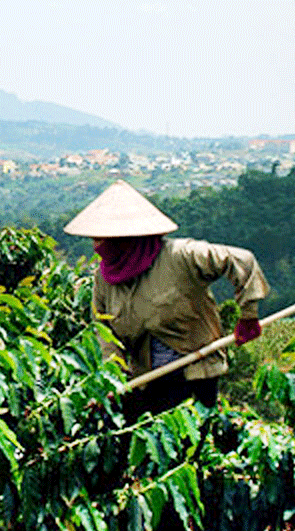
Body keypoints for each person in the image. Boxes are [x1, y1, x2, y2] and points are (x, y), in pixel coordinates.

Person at [63, 179, 270, 420]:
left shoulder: (181, 256)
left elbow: (241, 260)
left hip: (195, 375)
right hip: (145, 380)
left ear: (126, 238)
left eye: (104, 239)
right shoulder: (104, 280)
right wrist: (113, 379)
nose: (97, 246)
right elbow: (105, 333)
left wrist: (248, 315)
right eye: (94, 239)